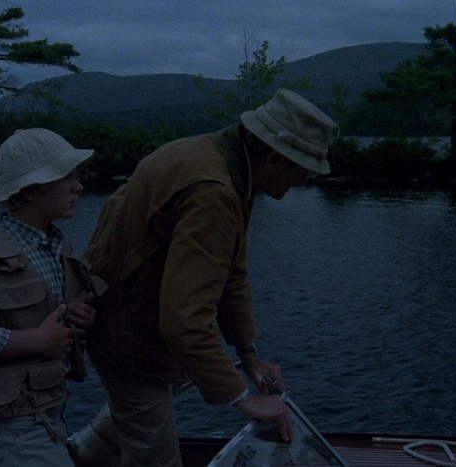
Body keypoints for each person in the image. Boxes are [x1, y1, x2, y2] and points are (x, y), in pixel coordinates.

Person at [69, 88, 338, 466]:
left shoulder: (221, 161)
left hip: (129, 319)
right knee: (157, 454)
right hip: (128, 337)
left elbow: (231, 272)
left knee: (175, 381)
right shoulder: (215, 191)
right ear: (275, 157)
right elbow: (183, 321)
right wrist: (242, 398)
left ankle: (84, 450)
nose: (305, 180)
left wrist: (248, 354)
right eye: (304, 169)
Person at [0, 128, 106, 467]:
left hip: (46, 414)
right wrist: (38, 340)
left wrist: (79, 320)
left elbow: (48, 318)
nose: (78, 186)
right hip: (10, 428)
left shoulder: (54, 244)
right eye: (66, 177)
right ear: (30, 191)